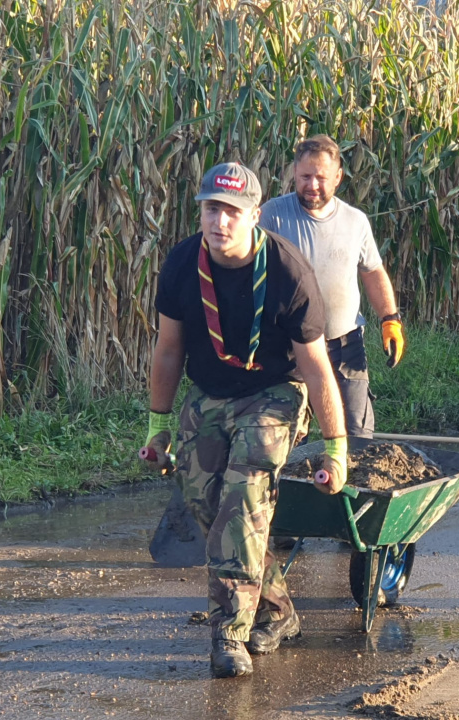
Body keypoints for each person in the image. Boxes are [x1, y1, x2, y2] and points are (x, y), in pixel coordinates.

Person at [142, 161, 348, 678]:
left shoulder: (287, 271)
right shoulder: (182, 263)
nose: (220, 222)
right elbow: (168, 350)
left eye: (232, 212)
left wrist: (336, 448)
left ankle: (229, 636)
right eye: (212, 209)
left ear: (255, 215)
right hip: (210, 391)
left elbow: (317, 368)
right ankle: (277, 610)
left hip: (275, 392)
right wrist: (157, 427)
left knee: (244, 494)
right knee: (205, 502)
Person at [258, 134, 404, 439]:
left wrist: (390, 320)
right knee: (286, 440)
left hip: (344, 345)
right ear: (293, 174)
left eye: (320, 177)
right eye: (304, 177)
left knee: (356, 435)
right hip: (288, 349)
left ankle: (351, 486)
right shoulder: (271, 216)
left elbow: (373, 272)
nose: (311, 185)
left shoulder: (355, 221)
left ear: (337, 177)